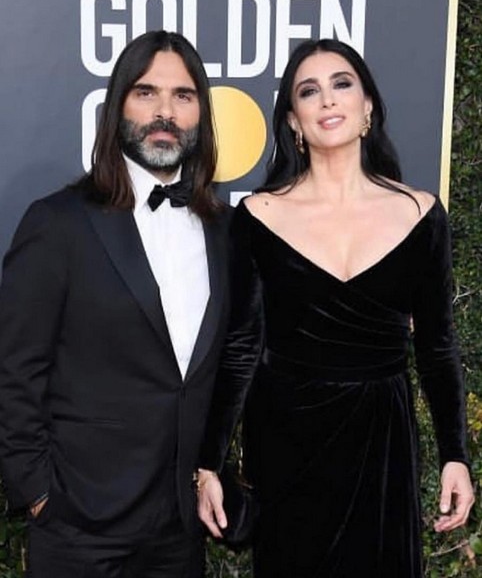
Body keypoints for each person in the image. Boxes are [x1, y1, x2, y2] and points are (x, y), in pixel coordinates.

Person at [196, 38, 474, 577]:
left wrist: (454, 455)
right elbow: (241, 347)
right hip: (287, 438)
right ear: (293, 121)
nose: (327, 99)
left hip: (382, 439)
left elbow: (437, 347)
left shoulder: (420, 215)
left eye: (341, 84)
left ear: (367, 106)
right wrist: (209, 463)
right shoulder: (258, 216)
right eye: (308, 91)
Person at [0, 30, 232, 577]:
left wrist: (208, 468)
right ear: (118, 106)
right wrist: (39, 493)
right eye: (146, 92)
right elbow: (15, 368)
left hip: (178, 532)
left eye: (182, 95)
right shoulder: (58, 223)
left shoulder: (222, 230)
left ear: (201, 113)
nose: (165, 112)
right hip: (79, 528)